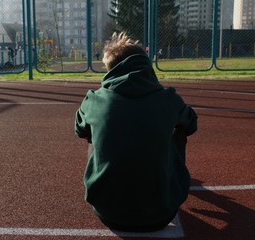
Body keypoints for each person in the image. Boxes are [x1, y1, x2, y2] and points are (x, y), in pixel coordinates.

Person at [74, 32, 198, 232]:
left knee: (91, 132)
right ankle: (165, 179)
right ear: (145, 66)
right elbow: (192, 125)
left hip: (108, 213)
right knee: (180, 129)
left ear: (111, 69)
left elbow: (78, 129)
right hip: (161, 215)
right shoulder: (168, 99)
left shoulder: (94, 100)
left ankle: (108, 180)